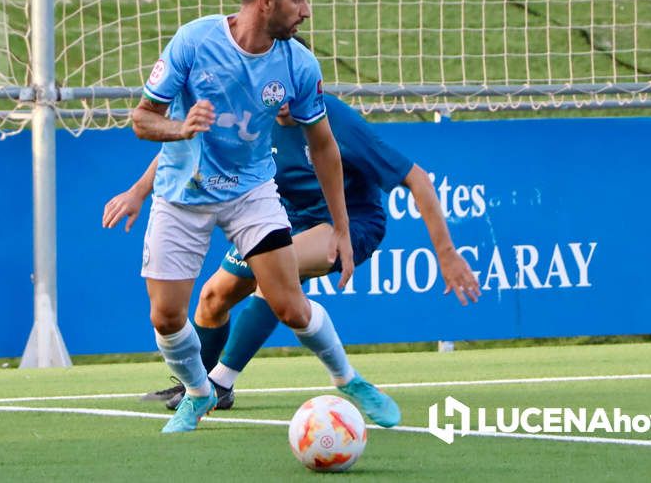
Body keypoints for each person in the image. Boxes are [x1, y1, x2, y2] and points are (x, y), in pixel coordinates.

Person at [115, 0, 399, 433]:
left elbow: (325, 147)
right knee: (166, 317)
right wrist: (181, 129)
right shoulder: (193, 41)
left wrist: (343, 228)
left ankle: (349, 380)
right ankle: (200, 391)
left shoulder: (299, 65)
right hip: (183, 194)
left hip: (251, 193)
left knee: (288, 303)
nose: (306, 11)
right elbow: (142, 119)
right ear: (266, 1)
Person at [105, 89, 481, 411]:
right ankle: (196, 385)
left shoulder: (332, 118)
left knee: (274, 278)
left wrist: (446, 253)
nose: (278, 96)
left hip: (348, 225)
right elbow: (189, 146)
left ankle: (220, 383)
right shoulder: (250, 112)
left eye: (286, 86)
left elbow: (416, 178)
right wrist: (138, 191)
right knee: (212, 297)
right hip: (284, 221)